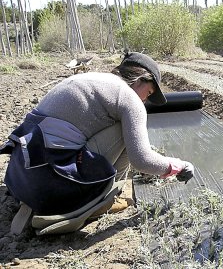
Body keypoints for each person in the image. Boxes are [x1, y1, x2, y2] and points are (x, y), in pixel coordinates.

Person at [0, 52, 194, 234]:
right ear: (140, 80)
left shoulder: (93, 80)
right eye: (149, 92)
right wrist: (176, 165)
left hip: (21, 178)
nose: (145, 100)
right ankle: (104, 197)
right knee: (124, 131)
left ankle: (36, 203)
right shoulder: (128, 98)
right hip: (53, 185)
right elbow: (141, 160)